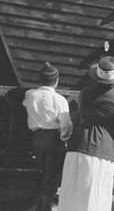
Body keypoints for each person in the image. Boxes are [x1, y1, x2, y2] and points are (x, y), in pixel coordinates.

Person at [58, 56, 114, 211]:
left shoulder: (84, 93)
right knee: (95, 194)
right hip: (101, 147)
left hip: (77, 145)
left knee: (72, 192)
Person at [22, 62, 73, 211]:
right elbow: (67, 126)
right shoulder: (60, 100)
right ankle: (45, 208)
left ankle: (36, 206)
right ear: (56, 81)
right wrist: (63, 140)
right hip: (54, 140)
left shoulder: (30, 95)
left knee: (41, 173)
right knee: (50, 178)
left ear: (40, 80)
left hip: (36, 139)